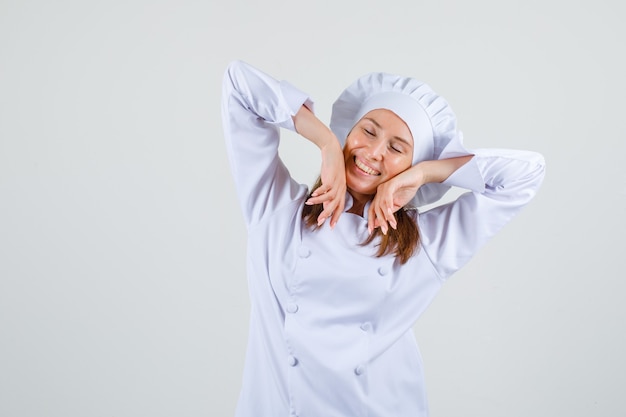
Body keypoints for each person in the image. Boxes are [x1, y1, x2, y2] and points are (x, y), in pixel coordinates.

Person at [221, 60, 545, 417]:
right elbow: (239, 84)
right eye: (368, 131)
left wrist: (426, 173)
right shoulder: (276, 209)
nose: (375, 152)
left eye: (397, 148)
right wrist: (326, 142)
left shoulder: (427, 244)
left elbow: (526, 174)